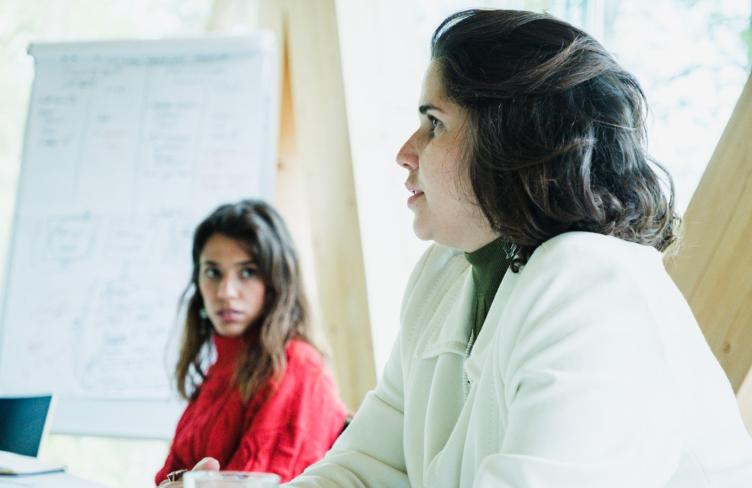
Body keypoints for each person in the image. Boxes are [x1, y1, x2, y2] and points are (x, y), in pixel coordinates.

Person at [169, 9, 752, 487]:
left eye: (434, 123)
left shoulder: (594, 283)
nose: (405, 150)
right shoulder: (446, 272)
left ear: (513, 139)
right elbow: (369, 470)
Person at [155, 200, 348, 486]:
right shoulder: (216, 372)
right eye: (213, 272)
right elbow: (164, 480)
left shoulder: (298, 367)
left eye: (247, 272)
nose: (226, 292)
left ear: (275, 283)